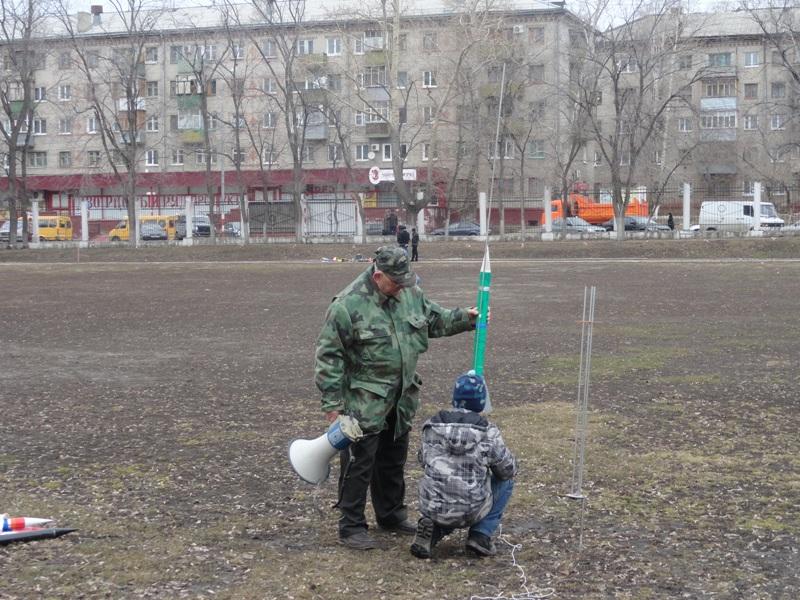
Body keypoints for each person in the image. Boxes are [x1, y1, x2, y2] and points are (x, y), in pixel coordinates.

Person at [315, 247, 481, 551]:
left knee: (393, 459)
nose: (402, 288)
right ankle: (351, 526)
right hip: (362, 403)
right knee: (358, 464)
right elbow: (329, 357)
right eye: (396, 283)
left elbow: (434, 320)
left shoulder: (409, 292)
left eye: (406, 281)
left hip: (401, 398)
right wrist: (332, 405)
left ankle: (390, 514)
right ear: (378, 276)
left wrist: (466, 319)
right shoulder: (347, 306)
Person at [410, 370, 518, 559]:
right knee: (505, 482)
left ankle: (433, 530)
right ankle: (480, 535)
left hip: (434, 506)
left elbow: (422, 460)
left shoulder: (431, 427)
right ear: (481, 401)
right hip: (472, 509)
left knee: (442, 491)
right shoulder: (487, 432)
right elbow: (507, 470)